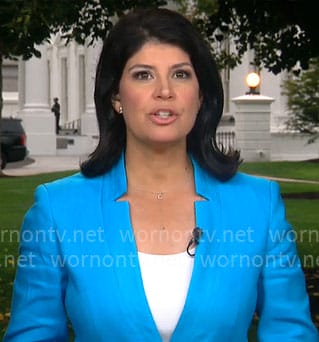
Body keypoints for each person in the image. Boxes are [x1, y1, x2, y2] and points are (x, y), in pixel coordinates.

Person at [4, 8, 318, 342]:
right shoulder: (58, 209)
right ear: (116, 97)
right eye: (143, 75)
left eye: (181, 74)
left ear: (200, 96)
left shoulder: (258, 205)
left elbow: (291, 333)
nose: (164, 90)